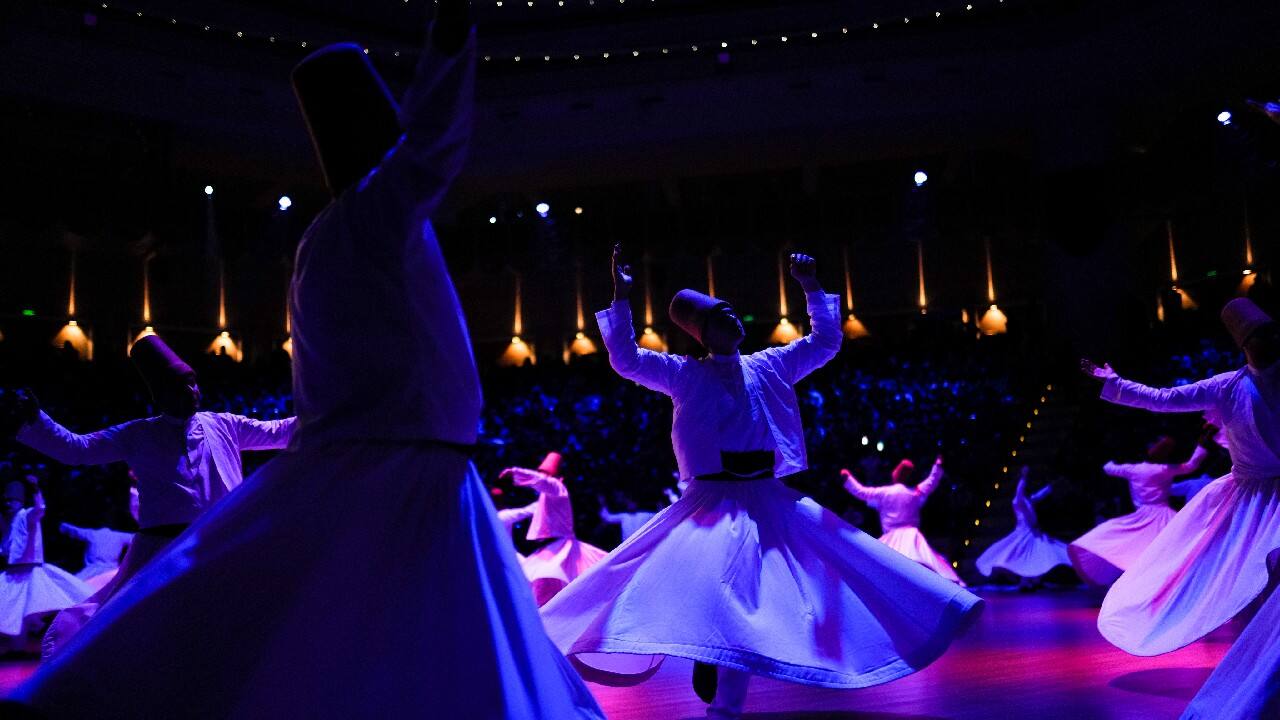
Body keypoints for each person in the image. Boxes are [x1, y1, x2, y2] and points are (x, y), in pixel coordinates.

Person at [12, 3, 604, 717]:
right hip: (403, 469)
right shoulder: (373, 211)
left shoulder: (329, 236)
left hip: (378, 459)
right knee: (431, 650)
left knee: (330, 642)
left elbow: (297, 412)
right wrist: (449, 48)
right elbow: (434, 149)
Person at [540, 246, 982, 720]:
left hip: (767, 497)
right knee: (712, 592)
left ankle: (731, 689)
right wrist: (622, 297)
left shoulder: (769, 365)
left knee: (830, 564)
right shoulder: (685, 374)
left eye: (731, 311)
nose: (734, 318)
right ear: (703, 332)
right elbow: (626, 360)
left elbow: (825, 343)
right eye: (721, 315)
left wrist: (811, 287)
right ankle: (711, 671)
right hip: (711, 502)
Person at [3, 335, 297, 657]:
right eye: (180, 386)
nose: (192, 392)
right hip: (159, 553)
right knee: (142, 635)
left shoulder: (224, 425)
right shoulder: (139, 434)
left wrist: (329, 406)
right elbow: (78, 450)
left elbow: (279, 432)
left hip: (218, 543)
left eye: (193, 383)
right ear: (160, 394)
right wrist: (36, 420)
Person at [1082, 298, 1280, 657]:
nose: (1268, 341)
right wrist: (1115, 384)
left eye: (1271, 333)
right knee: (1253, 576)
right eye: (1259, 336)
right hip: (1252, 497)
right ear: (1244, 344)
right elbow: (1164, 399)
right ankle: (1257, 655)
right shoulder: (1227, 386)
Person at [1066, 435, 1208, 586]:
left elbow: (1108, 468)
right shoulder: (1164, 470)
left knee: (1137, 548)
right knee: (1175, 548)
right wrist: (1202, 445)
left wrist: (1113, 459)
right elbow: (1192, 465)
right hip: (1165, 516)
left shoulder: (1134, 469)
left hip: (1143, 516)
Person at [500, 452, 607, 606]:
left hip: (561, 547)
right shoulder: (548, 495)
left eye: (546, 474)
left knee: (547, 579)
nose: (543, 477)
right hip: (553, 546)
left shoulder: (557, 487)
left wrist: (516, 473)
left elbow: (542, 481)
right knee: (545, 583)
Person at [842, 456, 966, 585]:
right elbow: (931, 482)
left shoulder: (885, 492)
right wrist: (937, 467)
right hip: (911, 536)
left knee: (885, 566)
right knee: (922, 564)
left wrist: (848, 479)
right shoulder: (914, 492)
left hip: (892, 538)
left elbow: (862, 492)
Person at [0, 477, 92, 651]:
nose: (8, 503)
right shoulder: (11, 521)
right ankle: (16, 648)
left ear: (20, 502)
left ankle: (22, 648)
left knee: (22, 613)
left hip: (28, 573)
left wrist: (35, 489)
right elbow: (8, 548)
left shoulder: (27, 515)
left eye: (12, 500)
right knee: (13, 614)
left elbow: (40, 508)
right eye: (6, 500)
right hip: (13, 574)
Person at [975, 467, 1070, 584]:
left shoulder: (1028, 500)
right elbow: (1020, 491)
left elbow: (1039, 495)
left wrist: (1051, 486)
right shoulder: (1017, 501)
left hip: (1034, 533)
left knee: (1038, 555)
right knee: (1023, 559)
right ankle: (1026, 581)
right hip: (1023, 534)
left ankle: (1032, 580)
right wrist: (1023, 477)